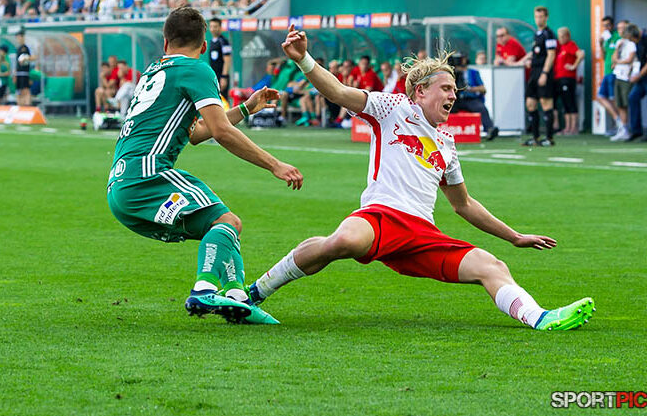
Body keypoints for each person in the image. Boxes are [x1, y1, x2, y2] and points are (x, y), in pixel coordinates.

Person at [247, 26, 594, 332]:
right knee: (343, 241)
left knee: (491, 265)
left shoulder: (447, 144)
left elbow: (464, 205)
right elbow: (337, 92)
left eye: (454, 90)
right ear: (421, 91)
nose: (453, 95)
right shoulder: (392, 108)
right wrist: (304, 59)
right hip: (381, 216)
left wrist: (514, 237)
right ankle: (256, 292)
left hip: (421, 234)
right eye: (446, 88)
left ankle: (539, 317)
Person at [106, 7, 303, 324]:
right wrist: (274, 164)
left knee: (224, 225)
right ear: (204, 46)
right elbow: (221, 132)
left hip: (121, 186)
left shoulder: (154, 72)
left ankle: (238, 299)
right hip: (148, 175)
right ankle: (203, 290)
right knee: (227, 222)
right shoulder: (196, 69)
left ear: (165, 43)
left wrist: (246, 108)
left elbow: (197, 133)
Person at [523, 7, 558, 147]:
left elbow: (551, 55)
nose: (538, 19)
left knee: (546, 103)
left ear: (546, 17)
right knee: (530, 103)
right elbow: (534, 53)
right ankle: (535, 137)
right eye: (536, 16)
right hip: (534, 72)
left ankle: (549, 138)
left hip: (544, 72)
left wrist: (544, 73)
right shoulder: (536, 34)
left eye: (541, 16)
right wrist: (525, 61)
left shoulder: (549, 34)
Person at [450, 52, 498, 140]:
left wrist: (470, 89)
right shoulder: (451, 72)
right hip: (456, 99)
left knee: (481, 108)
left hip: (470, 99)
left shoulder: (473, 72)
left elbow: (483, 89)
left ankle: (490, 129)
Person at [610, 24, 639, 141]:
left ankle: (631, 129)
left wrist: (617, 62)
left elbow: (629, 60)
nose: (621, 31)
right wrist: (617, 49)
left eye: (623, 29)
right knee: (620, 104)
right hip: (618, 75)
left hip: (627, 77)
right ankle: (623, 129)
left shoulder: (632, 44)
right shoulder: (619, 42)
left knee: (627, 103)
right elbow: (613, 58)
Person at [554, 27, 584, 136]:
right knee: (565, 103)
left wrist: (573, 66)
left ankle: (573, 128)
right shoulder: (561, 47)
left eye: (562, 36)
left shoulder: (571, 45)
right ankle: (567, 128)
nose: (560, 39)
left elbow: (580, 54)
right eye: (559, 37)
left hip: (568, 78)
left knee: (570, 102)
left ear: (567, 36)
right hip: (559, 79)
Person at [596, 16, 621, 135]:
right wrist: (600, 44)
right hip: (606, 72)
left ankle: (621, 125)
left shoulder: (617, 37)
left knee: (614, 99)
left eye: (607, 25)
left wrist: (616, 63)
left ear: (612, 25)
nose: (606, 28)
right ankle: (618, 120)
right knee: (600, 97)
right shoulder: (606, 38)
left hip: (615, 73)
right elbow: (604, 57)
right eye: (604, 26)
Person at [626, 26, 647, 142]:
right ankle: (636, 131)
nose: (630, 41)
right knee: (633, 97)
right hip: (642, 77)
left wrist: (638, 76)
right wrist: (632, 70)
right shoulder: (637, 44)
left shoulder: (645, 40)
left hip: (643, 76)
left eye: (630, 38)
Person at [207, 17, 232, 98]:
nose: (213, 29)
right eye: (211, 26)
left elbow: (227, 60)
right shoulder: (211, 41)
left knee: (223, 100)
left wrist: (224, 77)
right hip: (214, 76)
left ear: (220, 27)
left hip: (221, 77)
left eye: (215, 26)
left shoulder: (224, 41)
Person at [14, 30, 32, 106]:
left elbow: (32, 57)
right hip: (19, 72)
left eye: (19, 37)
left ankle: (27, 105)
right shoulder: (18, 48)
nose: (18, 39)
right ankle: (20, 105)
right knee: (19, 90)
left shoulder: (26, 48)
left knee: (25, 89)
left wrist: (25, 58)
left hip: (24, 72)